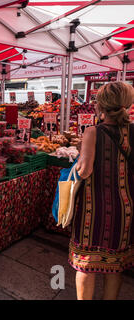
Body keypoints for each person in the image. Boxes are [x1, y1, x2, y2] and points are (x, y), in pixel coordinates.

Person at [71, 81, 134, 300]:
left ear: (100, 105)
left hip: (93, 209)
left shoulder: (93, 132)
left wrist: (79, 158)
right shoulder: (132, 131)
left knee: (86, 265)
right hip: (124, 208)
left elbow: (85, 171)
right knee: (114, 265)